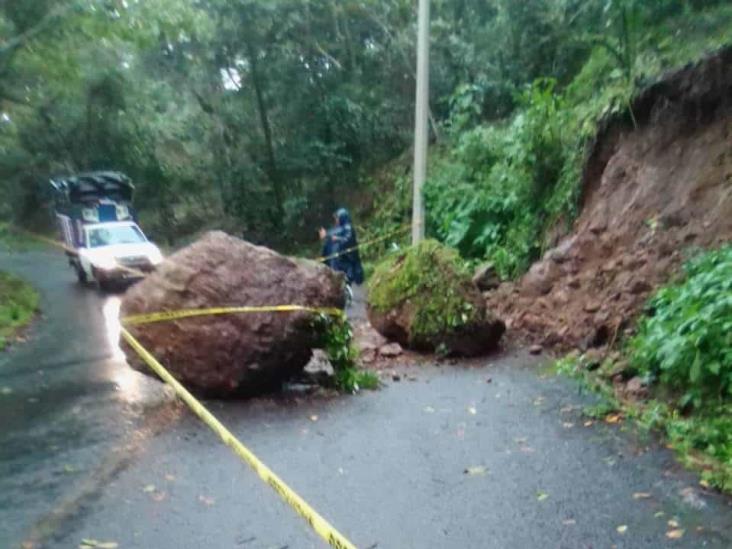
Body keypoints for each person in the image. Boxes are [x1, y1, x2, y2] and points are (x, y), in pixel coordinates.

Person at [319, 207, 364, 285]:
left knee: (345, 275)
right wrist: (327, 235)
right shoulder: (341, 228)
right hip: (342, 260)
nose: (336, 220)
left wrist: (336, 239)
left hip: (347, 259)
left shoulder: (348, 227)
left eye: (337, 218)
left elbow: (347, 240)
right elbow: (334, 233)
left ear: (342, 217)